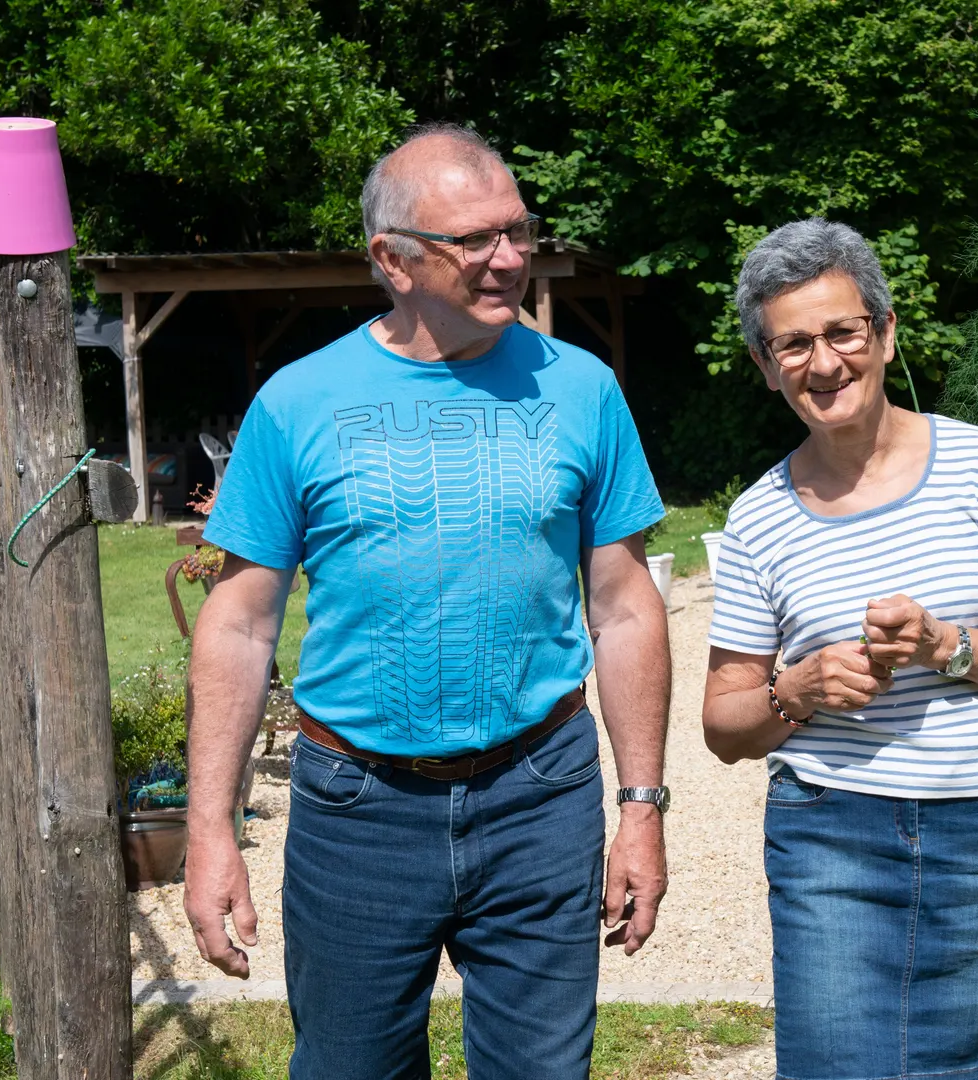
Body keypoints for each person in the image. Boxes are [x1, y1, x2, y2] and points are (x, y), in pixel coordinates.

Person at [183, 123, 673, 1080]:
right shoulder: (299, 400)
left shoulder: (581, 389)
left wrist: (642, 808)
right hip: (357, 808)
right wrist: (209, 832)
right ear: (392, 260)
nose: (509, 259)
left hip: (539, 795)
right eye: (476, 241)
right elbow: (238, 625)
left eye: (518, 231)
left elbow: (623, 607)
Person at [700, 218, 978, 1080]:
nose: (824, 361)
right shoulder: (759, 518)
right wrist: (791, 691)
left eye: (843, 331)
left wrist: (945, 646)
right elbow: (724, 726)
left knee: (972, 1070)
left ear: (884, 332)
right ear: (767, 368)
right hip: (829, 831)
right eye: (792, 344)